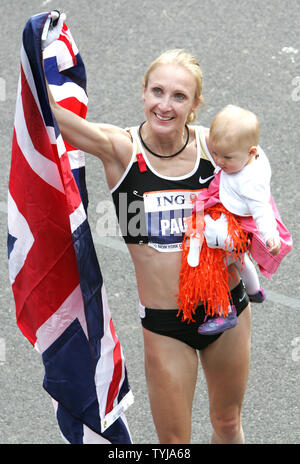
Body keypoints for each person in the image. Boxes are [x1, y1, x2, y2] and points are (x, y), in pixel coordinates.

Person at [44, 14, 251, 444]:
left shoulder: (213, 149)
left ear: (194, 105)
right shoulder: (121, 149)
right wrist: (32, 58)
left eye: (179, 96)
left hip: (226, 309)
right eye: (157, 91)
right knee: (175, 445)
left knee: (227, 423)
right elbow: (59, 119)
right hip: (165, 323)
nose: (165, 104)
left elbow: (257, 185)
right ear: (143, 92)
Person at [185, 104, 281, 336]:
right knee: (239, 261)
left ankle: (223, 311)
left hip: (234, 229)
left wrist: (270, 235)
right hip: (232, 222)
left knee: (214, 266)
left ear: (250, 152)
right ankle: (255, 291)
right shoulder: (248, 157)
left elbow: (262, 209)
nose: (218, 160)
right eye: (215, 153)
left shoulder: (251, 182)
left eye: (226, 157)